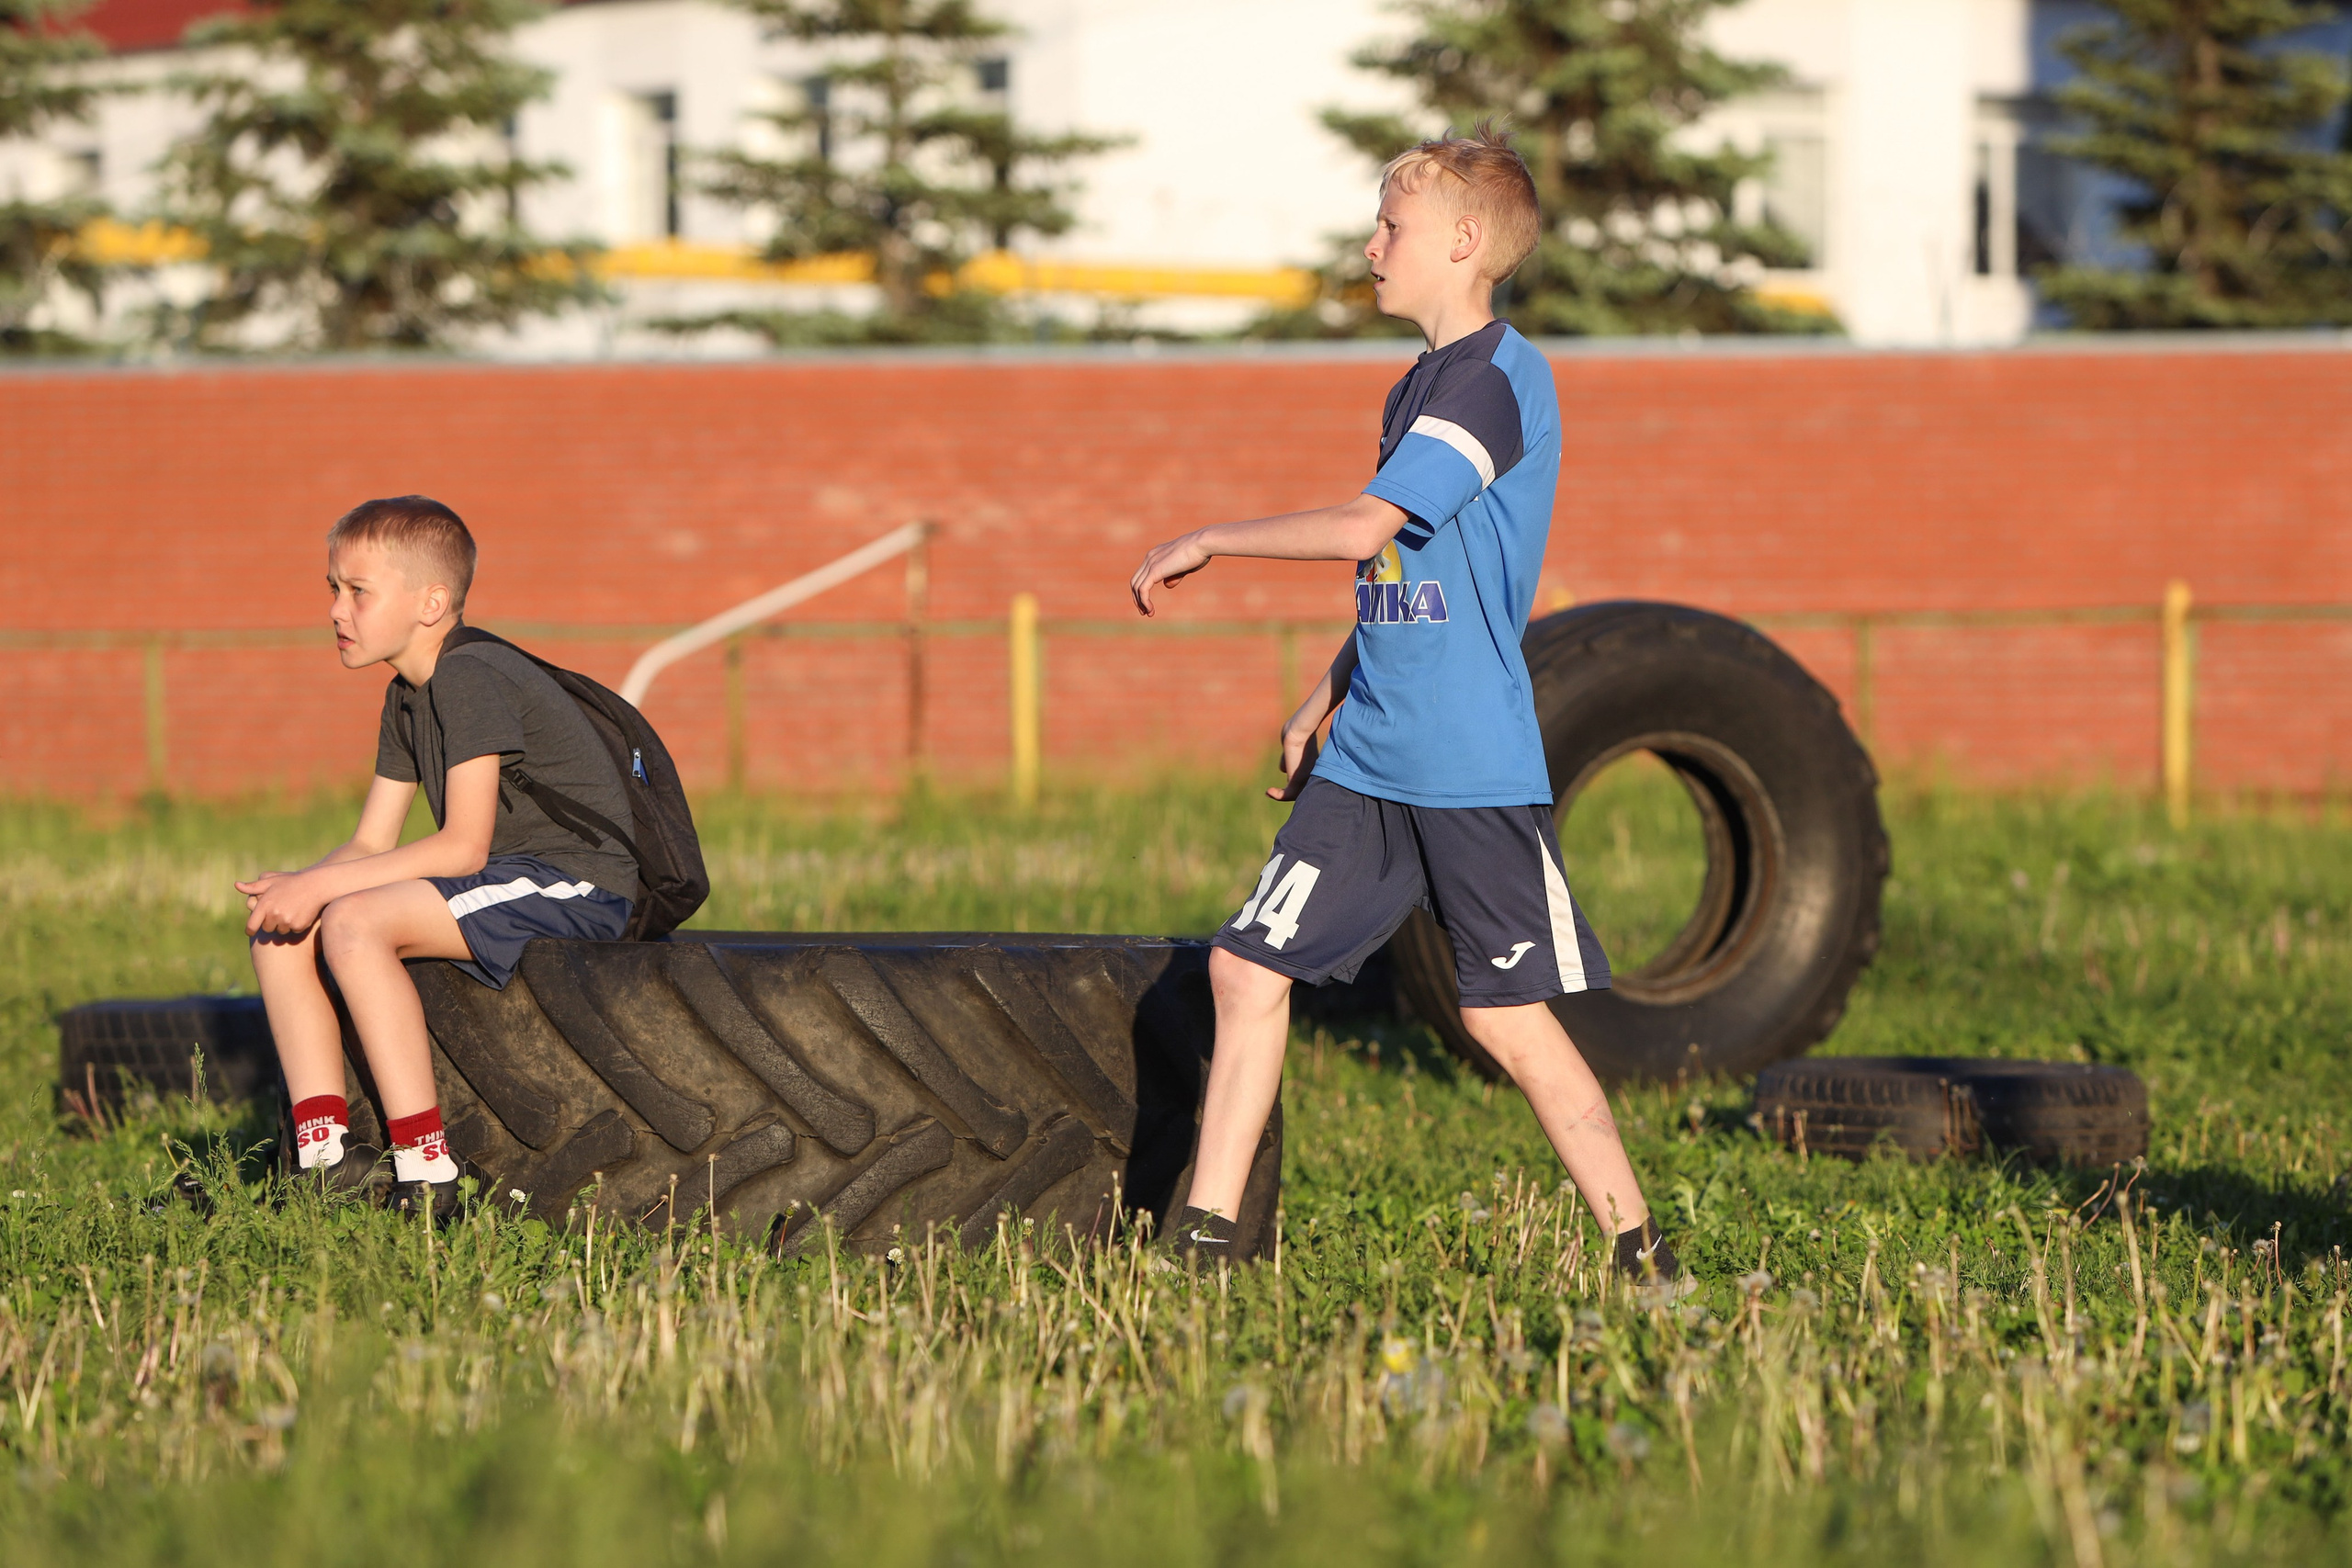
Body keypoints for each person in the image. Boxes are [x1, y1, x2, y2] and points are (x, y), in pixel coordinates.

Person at [1126, 128, 1680, 1284]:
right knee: (1246, 968)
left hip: (1468, 769)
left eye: (1393, 226)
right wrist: (1326, 690)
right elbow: (1403, 572)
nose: (1371, 245)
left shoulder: (1490, 385)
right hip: (1369, 764)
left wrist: (1207, 536)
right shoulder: (1416, 385)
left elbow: (1361, 530)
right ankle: (1205, 1246)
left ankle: (1639, 1251)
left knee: (1505, 1023)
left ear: (1465, 244)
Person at [241, 496, 638, 1219]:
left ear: (432, 602)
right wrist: (298, 888)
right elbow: (370, 841)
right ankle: (323, 1160)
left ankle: (427, 1172)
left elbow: (463, 844)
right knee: (283, 928)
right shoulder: (406, 695)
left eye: (357, 591)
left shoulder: (468, 676)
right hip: (504, 877)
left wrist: (327, 891)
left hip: (576, 882)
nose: (336, 609)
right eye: (332, 588)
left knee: (354, 924)